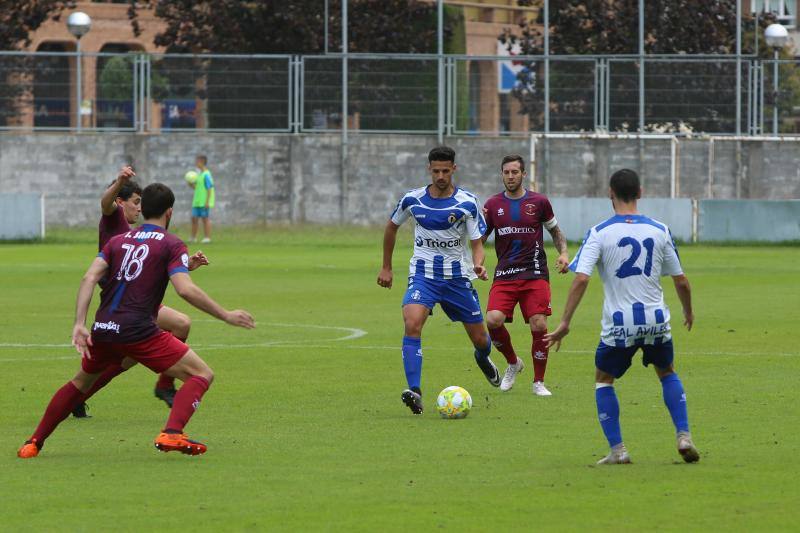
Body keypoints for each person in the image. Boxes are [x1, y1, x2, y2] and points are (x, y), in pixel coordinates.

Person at [18, 183, 254, 458]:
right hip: (138, 330)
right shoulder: (172, 243)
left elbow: (89, 277)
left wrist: (79, 323)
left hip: (104, 327)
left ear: (144, 210)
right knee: (201, 374)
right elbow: (185, 289)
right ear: (169, 212)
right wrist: (225, 314)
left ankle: (33, 443)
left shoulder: (118, 241)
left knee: (80, 383)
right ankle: (172, 433)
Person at [544, 169, 699, 465]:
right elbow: (681, 280)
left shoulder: (600, 232)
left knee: (604, 380)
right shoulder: (660, 230)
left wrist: (565, 323)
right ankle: (683, 435)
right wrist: (688, 310)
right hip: (656, 319)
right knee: (667, 371)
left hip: (620, 324)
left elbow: (581, 279)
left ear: (609, 194)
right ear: (640, 192)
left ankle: (619, 450)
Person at [71, 166, 207, 419]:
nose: (139, 208)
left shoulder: (138, 233)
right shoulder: (114, 217)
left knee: (126, 360)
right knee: (181, 324)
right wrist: (121, 180)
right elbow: (105, 202)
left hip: (133, 302)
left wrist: (186, 264)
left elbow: (150, 262)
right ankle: (165, 385)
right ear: (120, 202)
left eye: (141, 203)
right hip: (124, 304)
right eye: (135, 202)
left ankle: (79, 398)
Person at [377, 146, 501, 415]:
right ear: (429, 169)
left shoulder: (467, 202)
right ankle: (415, 391)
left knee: (481, 339)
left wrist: (478, 264)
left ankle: (483, 358)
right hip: (423, 277)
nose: (441, 176)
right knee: (412, 323)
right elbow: (391, 227)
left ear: (454, 169)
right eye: (436, 171)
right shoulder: (412, 200)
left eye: (446, 171)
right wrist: (386, 267)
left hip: (457, 278)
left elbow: (478, 243)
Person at [482, 154, 569, 396]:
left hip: (535, 272)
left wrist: (563, 253)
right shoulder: (492, 205)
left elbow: (556, 232)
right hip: (505, 274)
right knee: (493, 320)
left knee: (539, 323)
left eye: (514, 172)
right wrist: (478, 262)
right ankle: (513, 363)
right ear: (502, 174)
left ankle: (538, 382)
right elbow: (480, 238)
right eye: (506, 172)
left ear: (523, 174)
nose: (510, 176)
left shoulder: (539, 202)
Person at [189, 154, 215, 244]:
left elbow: (209, 189)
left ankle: (207, 238)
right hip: (197, 201)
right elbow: (198, 188)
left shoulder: (207, 174)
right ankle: (193, 237)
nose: (196, 163)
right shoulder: (199, 174)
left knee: (205, 219)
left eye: (197, 161)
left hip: (204, 202)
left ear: (202, 162)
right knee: (194, 219)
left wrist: (207, 202)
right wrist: (191, 184)